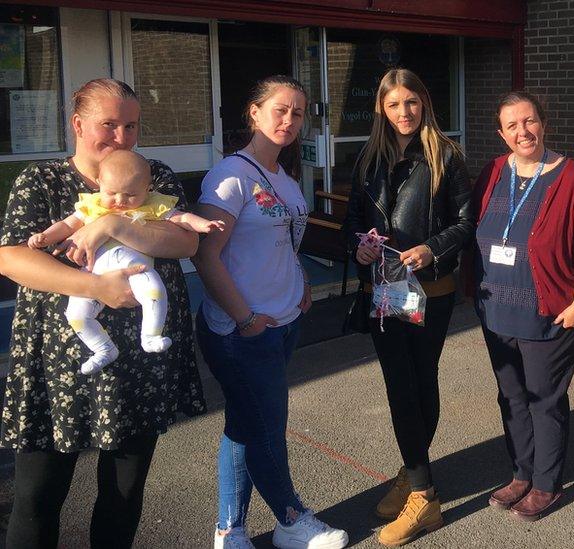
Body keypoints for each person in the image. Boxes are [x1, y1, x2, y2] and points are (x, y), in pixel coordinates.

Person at [0, 78, 206, 548]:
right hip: (61, 361)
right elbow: (10, 257)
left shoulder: (152, 175)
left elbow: (185, 240)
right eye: (108, 124)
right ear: (78, 124)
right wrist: (97, 288)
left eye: (130, 125)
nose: (120, 137)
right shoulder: (43, 180)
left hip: (138, 362)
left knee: (123, 493)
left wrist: (114, 223)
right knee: (38, 495)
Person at [193, 75, 348, 549]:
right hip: (242, 330)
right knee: (265, 427)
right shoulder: (229, 176)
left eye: (298, 112)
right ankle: (290, 518)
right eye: (280, 109)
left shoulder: (285, 176)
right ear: (254, 113)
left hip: (283, 321)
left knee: (245, 424)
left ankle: (229, 529)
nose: (289, 120)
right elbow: (204, 256)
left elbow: (283, 240)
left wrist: (300, 282)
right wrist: (245, 318)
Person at [345, 67, 474, 546]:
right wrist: (358, 245)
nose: (405, 112)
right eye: (395, 104)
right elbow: (354, 218)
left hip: (429, 291)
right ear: (382, 107)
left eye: (412, 102)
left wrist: (432, 249)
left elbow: (467, 221)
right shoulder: (368, 157)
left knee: (421, 382)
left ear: (425, 103)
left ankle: (418, 487)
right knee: (400, 385)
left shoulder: (446, 155)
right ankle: (419, 481)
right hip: (384, 292)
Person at [470, 91, 574, 522]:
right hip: (497, 312)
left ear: (543, 123)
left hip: (549, 312)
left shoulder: (571, 176)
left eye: (528, 121)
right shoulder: (493, 171)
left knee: (544, 400)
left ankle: (546, 484)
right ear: (502, 133)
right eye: (511, 125)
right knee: (511, 397)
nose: (522, 131)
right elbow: (471, 224)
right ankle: (520, 473)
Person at [28, 150, 223, 375]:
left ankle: (151, 335)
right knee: (76, 314)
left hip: (136, 271)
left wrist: (203, 225)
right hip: (92, 275)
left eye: (130, 195)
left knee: (155, 291)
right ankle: (102, 348)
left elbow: (181, 218)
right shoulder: (92, 205)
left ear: (147, 188)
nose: (120, 201)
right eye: (112, 193)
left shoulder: (151, 204)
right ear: (100, 182)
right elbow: (66, 225)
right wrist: (45, 237)